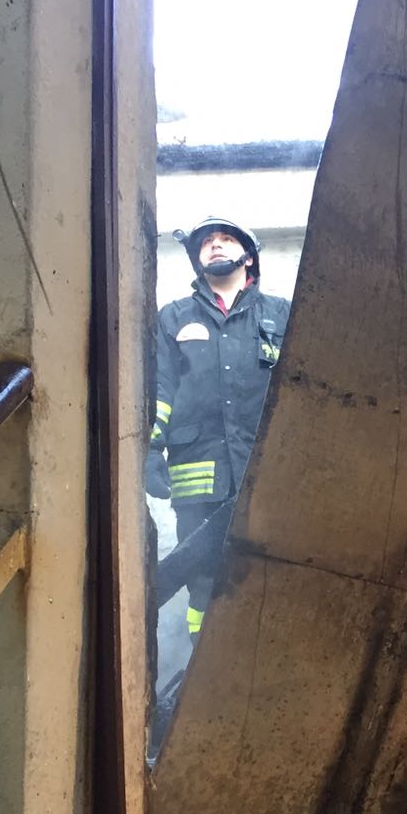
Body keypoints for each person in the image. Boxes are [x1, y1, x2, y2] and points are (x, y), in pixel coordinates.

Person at [148, 216, 290, 636]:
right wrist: (150, 449)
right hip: (198, 476)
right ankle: (203, 664)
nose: (214, 245)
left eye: (226, 239)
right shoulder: (173, 317)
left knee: (273, 573)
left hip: (270, 476)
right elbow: (158, 388)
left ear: (249, 257)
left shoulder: (282, 314)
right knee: (204, 581)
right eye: (207, 241)